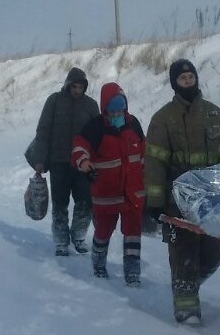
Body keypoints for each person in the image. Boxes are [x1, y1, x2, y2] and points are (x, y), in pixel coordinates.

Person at [144, 59, 220, 325]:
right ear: (175, 83)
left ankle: (188, 286)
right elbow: (155, 163)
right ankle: (187, 313)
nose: (188, 81)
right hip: (177, 202)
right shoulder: (163, 119)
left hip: (211, 202)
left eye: (190, 76)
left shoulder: (214, 114)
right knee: (183, 254)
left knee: (214, 253)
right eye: (182, 78)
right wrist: (155, 202)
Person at [71, 81, 147, 284]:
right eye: (112, 110)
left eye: (120, 109)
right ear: (105, 109)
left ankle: (132, 272)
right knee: (103, 231)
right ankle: (98, 263)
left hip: (132, 192)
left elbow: (144, 152)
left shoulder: (134, 125)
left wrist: (147, 177)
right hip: (107, 193)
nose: (117, 114)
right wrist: (84, 162)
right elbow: (79, 147)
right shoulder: (95, 127)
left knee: (133, 233)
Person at [32, 67, 100, 256]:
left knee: (84, 202)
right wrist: (40, 159)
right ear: (68, 85)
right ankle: (61, 241)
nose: (77, 90)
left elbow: (98, 135)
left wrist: (98, 161)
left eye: (81, 87)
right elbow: (43, 130)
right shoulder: (54, 101)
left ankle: (79, 237)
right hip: (58, 162)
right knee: (60, 203)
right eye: (74, 86)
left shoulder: (91, 105)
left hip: (83, 163)